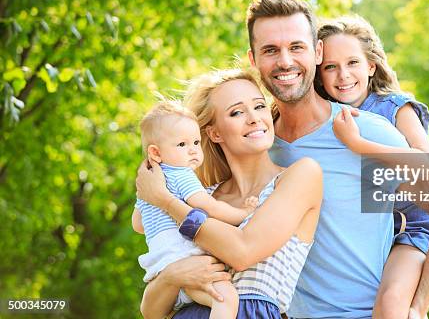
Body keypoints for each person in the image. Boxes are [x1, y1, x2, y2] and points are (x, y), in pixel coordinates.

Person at [244, 0, 429, 319]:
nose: (284, 61)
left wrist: (419, 305)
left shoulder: (366, 132)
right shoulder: (253, 143)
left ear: (316, 52)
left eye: (296, 47)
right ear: (253, 59)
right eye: (270, 50)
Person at [135, 71, 323, 318]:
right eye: (237, 112)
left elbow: (242, 252)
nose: (254, 118)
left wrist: (165, 201)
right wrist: (172, 276)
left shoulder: (300, 176)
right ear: (215, 133)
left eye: (259, 106)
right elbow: (151, 312)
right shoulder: (202, 195)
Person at [315, 15, 429, 319]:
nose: (343, 75)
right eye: (331, 66)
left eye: (353, 63)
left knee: (391, 305)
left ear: (371, 66)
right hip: (356, 236)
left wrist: (359, 145)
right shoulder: (320, 117)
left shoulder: (393, 107)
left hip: (405, 229)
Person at [133, 100, 260, 318]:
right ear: (155, 153)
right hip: (184, 255)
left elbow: (138, 225)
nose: (192, 150)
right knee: (226, 299)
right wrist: (244, 214)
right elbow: (208, 206)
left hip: (162, 266)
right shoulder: (181, 174)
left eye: (195, 142)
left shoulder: (148, 185)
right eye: (182, 145)